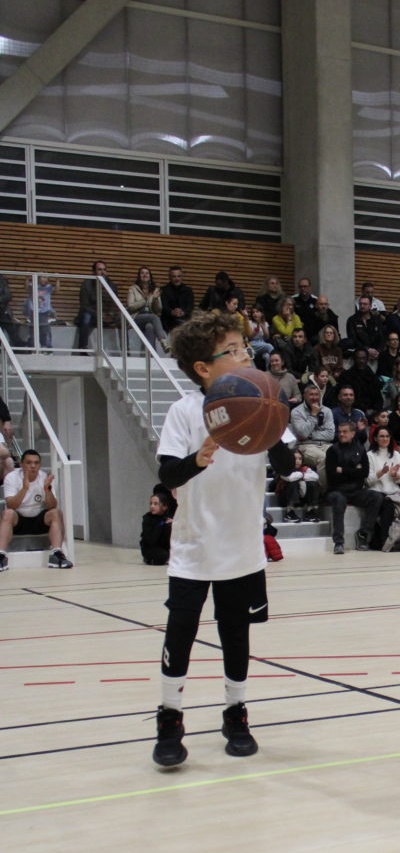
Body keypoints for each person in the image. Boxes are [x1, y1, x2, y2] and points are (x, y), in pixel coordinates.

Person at [152, 311, 296, 767]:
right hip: (194, 548)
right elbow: (168, 475)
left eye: (244, 348)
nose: (244, 355)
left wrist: (272, 426)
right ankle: (170, 717)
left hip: (244, 549)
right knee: (181, 632)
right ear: (203, 368)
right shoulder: (184, 411)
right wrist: (198, 458)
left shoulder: (263, 400)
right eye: (232, 350)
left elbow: (288, 467)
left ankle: (236, 712)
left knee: (236, 635)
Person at [0, 448, 74, 570]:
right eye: (29, 462)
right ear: (21, 464)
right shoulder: (11, 477)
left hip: (38, 519)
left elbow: (51, 506)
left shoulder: (44, 477)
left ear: (39, 465)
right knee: (7, 513)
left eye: (36, 463)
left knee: (56, 513)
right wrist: (24, 488)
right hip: (18, 520)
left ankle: (56, 554)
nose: (33, 466)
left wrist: (47, 489)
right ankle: (1, 556)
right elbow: (11, 505)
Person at [325, 421, 383, 554]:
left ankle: (363, 534)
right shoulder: (332, 450)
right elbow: (332, 475)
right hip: (337, 490)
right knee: (339, 500)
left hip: (356, 490)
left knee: (377, 497)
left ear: (353, 433)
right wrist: (354, 470)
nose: (341, 434)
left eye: (345, 432)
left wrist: (342, 470)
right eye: (339, 432)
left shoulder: (360, 449)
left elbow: (364, 473)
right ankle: (339, 542)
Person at [289, 382, 333, 484]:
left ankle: (339, 488)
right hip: (306, 446)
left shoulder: (327, 411)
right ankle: (323, 490)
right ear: (305, 396)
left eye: (316, 394)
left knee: (339, 455)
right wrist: (313, 415)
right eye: (311, 394)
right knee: (323, 458)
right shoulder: (296, 412)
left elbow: (330, 435)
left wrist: (310, 435)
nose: (314, 397)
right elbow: (303, 433)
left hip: (326, 444)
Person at [74, 260, 110, 349]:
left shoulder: (110, 285)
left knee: (122, 318)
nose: (103, 272)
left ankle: (126, 350)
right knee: (86, 318)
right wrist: (98, 314)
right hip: (91, 314)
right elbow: (84, 305)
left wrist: (110, 314)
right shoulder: (86, 284)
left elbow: (113, 304)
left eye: (104, 270)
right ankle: (82, 347)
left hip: (104, 314)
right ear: (94, 272)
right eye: (100, 270)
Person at [278, 451, 321, 522]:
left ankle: (310, 511)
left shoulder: (304, 468)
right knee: (293, 483)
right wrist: (302, 475)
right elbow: (290, 478)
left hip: (299, 499)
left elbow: (316, 477)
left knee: (313, 484)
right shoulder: (284, 469)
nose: (297, 461)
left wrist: (302, 475)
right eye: (295, 458)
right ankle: (289, 513)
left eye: (300, 459)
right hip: (285, 499)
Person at [159, 265, 194, 341]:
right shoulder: (163, 290)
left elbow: (190, 307)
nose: (177, 279)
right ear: (169, 277)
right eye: (174, 276)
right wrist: (172, 312)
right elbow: (163, 306)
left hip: (184, 319)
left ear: (182, 277)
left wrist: (183, 312)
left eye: (179, 276)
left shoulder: (188, 290)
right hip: (168, 320)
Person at [140, 492, 172, 564]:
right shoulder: (147, 519)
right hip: (150, 548)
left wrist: (173, 523)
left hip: (164, 547)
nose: (152, 506)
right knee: (163, 555)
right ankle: (149, 559)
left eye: (155, 504)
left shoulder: (168, 518)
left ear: (164, 507)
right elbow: (151, 540)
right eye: (151, 503)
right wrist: (161, 523)